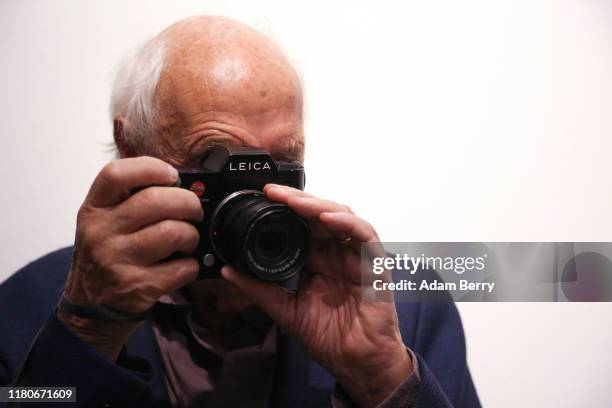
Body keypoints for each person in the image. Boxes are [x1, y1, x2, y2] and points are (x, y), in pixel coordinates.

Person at [0, 16, 480, 407]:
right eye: (217, 161)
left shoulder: (401, 305)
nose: (254, 198)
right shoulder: (33, 306)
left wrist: (380, 381)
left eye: (283, 163)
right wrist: (87, 332)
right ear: (132, 146)